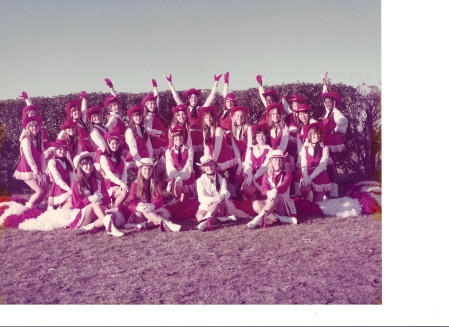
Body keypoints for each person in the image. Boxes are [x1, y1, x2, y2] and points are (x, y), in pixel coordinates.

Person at [163, 73, 221, 170]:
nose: (193, 99)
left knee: (199, 163)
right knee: (189, 162)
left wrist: (215, 83)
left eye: (195, 97)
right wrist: (170, 83)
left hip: (200, 138)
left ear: (197, 99)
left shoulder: (201, 109)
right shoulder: (185, 110)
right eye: (191, 98)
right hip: (189, 138)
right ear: (189, 99)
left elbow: (210, 98)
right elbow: (176, 97)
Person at [69, 152, 123, 236]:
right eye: (85, 164)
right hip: (82, 216)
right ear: (80, 166)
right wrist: (89, 199)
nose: (89, 167)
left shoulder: (98, 180)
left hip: (96, 214)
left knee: (113, 216)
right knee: (94, 203)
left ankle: (87, 228)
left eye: (90, 164)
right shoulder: (76, 183)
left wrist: (101, 196)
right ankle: (110, 228)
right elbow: (75, 204)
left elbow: (107, 199)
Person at [126, 158, 181, 232]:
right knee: (144, 209)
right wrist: (139, 208)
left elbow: (159, 199)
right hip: (140, 213)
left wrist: (152, 205)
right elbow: (131, 203)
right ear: (140, 170)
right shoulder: (135, 184)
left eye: (149, 169)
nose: (147, 171)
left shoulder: (157, 183)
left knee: (164, 215)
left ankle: (142, 225)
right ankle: (168, 224)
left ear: (152, 170)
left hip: (153, 210)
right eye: (145, 169)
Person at [247, 149, 298, 229]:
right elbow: (264, 187)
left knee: (276, 196)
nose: (277, 162)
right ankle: (278, 219)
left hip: (283, 205)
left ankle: (257, 219)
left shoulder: (288, 174)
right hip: (271, 203)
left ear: (283, 162)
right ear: (271, 161)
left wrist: (275, 190)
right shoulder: (266, 174)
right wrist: (268, 193)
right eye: (275, 160)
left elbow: (284, 186)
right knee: (255, 204)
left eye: (280, 160)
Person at [319, 72, 348, 198]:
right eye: (326, 102)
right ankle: (327, 190)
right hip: (325, 141)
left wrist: (335, 129)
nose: (327, 104)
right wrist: (324, 83)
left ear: (334, 103)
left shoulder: (336, 112)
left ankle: (334, 192)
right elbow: (325, 95)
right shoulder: (327, 112)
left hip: (332, 142)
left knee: (331, 167)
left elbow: (343, 120)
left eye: (329, 102)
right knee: (325, 166)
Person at [13, 115, 48, 209]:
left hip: (37, 167)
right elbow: (29, 157)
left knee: (45, 190)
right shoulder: (26, 140)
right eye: (31, 126)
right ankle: (28, 209)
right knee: (39, 191)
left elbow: (41, 156)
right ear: (27, 127)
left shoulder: (38, 139)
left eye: (36, 126)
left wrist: (43, 172)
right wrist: (36, 171)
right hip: (27, 168)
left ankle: (36, 206)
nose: (34, 128)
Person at [195, 154, 237, 232]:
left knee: (218, 201)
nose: (209, 167)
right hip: (207, 204)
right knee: (200, 217)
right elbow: (201, 197)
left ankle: (206, 222)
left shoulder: (221, 179)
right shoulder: (200, 180)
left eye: (211, 164)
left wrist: (221, 196)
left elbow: (225, 192)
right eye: (206, 166)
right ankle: (222, 219)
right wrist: (212, 199)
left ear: (215, 165)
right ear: (203, 168)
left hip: (220, 206)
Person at [298, 122, 332, 202]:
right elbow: (304, 163)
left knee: (317, 204)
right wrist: (306, 176)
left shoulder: (324, 148)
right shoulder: (305, 148)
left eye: (318, 134)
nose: (316, 136)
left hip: (319, 175)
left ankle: (320, 197)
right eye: (314, 134)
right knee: (305, 191)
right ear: (310, 135)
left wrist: (311, 177)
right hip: (307, 173)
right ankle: (307, 197)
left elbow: (322, 165)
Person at [199, 105, 238, 175]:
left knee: (228, 174)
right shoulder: (205, 131)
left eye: (210, 117)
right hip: (212, 155)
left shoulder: (218, 129)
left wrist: (213, 161)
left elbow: (217, 147)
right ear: (204, 119)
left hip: (222, 154)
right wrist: (207, 159)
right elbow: (206, 147)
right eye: (206, 117)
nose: (208, 119)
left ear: (214, 118)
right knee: (215, 174)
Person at [241, 123, 272, 200]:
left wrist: (255, 177)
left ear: (266, 137)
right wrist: (251, 176)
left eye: (263, 135)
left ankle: (260, 199)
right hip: (251, 174)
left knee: (263, 196)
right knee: (248, 187)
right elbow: (248, 163)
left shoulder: (270, 150)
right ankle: (250, 202)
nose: (260, 138)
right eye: (258, 135)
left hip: (262, 175)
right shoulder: (251, 148)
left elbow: (265, 166)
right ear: (255, 137)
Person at [165, 124, 195, 202]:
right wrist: (177, 176)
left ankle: (185, 199)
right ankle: (176, 199)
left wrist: (182, 176)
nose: (178, 138)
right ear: (173, 138)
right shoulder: (168, 151)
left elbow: (189, 164)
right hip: (175, 175)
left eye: (181, 136)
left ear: (184, 137)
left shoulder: (189, 150)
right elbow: (169, 166)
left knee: (185, 202)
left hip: (186, 175)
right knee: (177, 198)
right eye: (176, 136)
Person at [100, 132, 129, 208]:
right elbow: (109, 174)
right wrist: (121, 184)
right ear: (108, 144)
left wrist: (124, 184)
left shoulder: (122, 158)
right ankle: (114, 209)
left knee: (126, 192)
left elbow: (124, 173)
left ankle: (117, 209)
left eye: (117, 143)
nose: (115, 146)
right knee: (123, 193)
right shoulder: (103, 157)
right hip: (109, 184)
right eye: (112, 144)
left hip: (120, 183)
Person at [141, 78, 168, 157]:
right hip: (157, 142)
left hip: (163, 140)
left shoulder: (155, 113)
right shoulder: (149, 116)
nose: (153, 105)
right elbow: (148, 130)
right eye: (150, 104)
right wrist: (159, 132)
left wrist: (155, 87)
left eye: (154, 104)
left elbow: (157, 99)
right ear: (146, 105)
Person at [229, 106, 252, 195]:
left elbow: (250, 146)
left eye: (241, 116)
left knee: (246, 171)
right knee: (238, 174)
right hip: (239, 155)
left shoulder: (248, 128)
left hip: (248, 154)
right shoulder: (233, 130)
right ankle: (240, 192)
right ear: (234, 117)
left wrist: (246, 162)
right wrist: (239, 164)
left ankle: (247, 194)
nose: (239, 118)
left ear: (245, 117)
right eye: (237, 116)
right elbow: (235, 148)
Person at [103, 78, 129, 156]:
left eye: (117, 105)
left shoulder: (117, 115)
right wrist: (115, 137)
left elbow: (114, 97)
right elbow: (107, 127)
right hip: (119, 143)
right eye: (114, 105)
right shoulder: (113, 118)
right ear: (110, 107)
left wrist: (111, 88)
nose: (116, 106)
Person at [47, 140, 74, 210]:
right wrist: (70, 190)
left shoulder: (67, 162)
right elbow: (58, 179)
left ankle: (62, 209)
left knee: (76, 200)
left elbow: (72, 178)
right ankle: (59, 212)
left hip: (69, 188)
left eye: (65, 150)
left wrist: (75, 189)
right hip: (59, 190)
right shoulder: (52, 162)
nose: (62, 152)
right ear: (56, 150)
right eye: (60, 149)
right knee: (74, 200)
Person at [125, 105, 153, 170]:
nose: (138, 118)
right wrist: (139, 162)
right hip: (135, 159)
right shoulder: (130, 131)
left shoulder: (144, 129)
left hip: (145, 157)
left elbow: (149, 146)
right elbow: (133, 148)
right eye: (135, 116)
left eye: (140, 115)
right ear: (132, 118)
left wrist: (150, 159)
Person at [86, 105, 108, 171]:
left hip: (108, 153)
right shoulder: (94, 131)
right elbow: (103, 146)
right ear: (91, 119)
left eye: (98, 115)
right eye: (94, 116)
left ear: (101, 116)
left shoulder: (105, 128)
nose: (97, 117)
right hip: (102, 156)